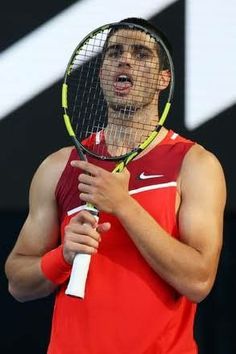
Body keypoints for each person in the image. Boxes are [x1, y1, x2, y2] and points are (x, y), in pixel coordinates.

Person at [5, 17, 226, 354]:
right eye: (114, 53)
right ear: (102, 72)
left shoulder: (194, 165)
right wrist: (62, 256)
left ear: (163, 79)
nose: (124, 60)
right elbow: (17, 283)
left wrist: (123, 205)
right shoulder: (58, 167)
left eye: (141, 54)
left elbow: (198, 281)